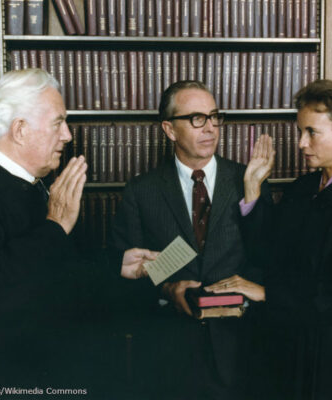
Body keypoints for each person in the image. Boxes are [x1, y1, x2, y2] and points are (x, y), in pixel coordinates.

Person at [0, 68, 157, 393]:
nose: (68, 135)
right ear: (20, 130)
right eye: (57, 122)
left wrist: (116, 266)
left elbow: (59, 277)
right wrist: (55, 226)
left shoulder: (39, 186)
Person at [205, 79, 332, 399]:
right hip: (289, 344)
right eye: (300, 131)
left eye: (312, 132)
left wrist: (268, 293)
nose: (301, 143)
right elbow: (267, 254)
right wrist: (253, 189)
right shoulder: (303, 190)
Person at [110, 80, 262, 400]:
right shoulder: (141, 191)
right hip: (168, 357)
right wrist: (168, 289)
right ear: (169, 129)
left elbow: (267, 260)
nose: (209, 128)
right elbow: (125, 278)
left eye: (214, 116)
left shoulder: (247, 180)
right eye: (196, 118)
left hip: (238, 353)